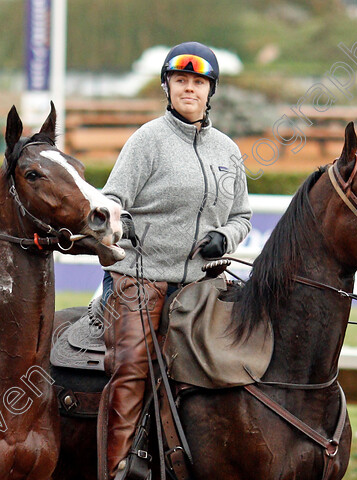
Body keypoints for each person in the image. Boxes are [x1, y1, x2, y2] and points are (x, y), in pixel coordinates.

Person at [97, 42, 252, 479]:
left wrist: (226, 237)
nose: (189, 89)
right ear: (167, 87)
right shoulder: (147, 140)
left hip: (203, 286)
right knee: (131, 373)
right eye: (180, 80)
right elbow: (112, 200)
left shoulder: (228, 151)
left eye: (198, 82)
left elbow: (242, 215)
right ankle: (117, 468)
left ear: (210, 91)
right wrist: (122, 224)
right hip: (139, 279)